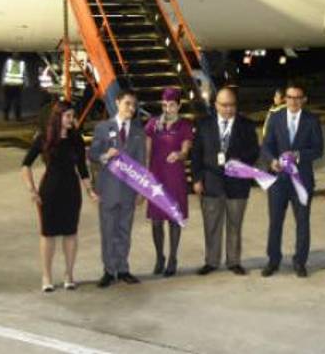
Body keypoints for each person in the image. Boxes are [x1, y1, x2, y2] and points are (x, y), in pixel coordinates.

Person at [20, 101, 98, 292]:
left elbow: (82, 169)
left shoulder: (76, 139)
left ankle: (69, 274)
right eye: (68, 116)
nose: (72, 120)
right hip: (50, 191)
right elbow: (25, 165)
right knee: (48, 234)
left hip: (71, 190)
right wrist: (32, 189)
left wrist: (90, 191)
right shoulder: (44, 138)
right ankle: (46, 276)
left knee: (70, 232)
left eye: (73, 116)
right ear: (58, 117)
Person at [191, 86, 261, 275]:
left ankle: (233, 261)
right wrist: (197, 179)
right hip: (211, 182)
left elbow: (255, 151)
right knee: (211, 225)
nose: (228, 109)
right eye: (224, 105)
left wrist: (240, 161)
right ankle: (211, 261)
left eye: (232, 105)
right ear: (215, 105)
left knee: (235, 225)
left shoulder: (246, 125)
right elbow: (196, 153)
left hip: (238, 184)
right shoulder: (204, 124)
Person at [260, 81, 323, 277]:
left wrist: (298, 155)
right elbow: (266, 145)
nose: (293, 101)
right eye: (289, 97)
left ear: (304, 99)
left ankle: (300, 262)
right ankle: (273, 260)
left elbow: (318, 149)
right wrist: (271, 161)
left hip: (302, 180)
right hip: (278, 180)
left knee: (302, 222)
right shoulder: (275, 117)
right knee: (275, 222)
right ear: (284, 99)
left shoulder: (312, 120)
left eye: (297, 98)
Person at [89, 89, 146, 287]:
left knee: (124, 231)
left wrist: (141, 190)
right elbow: (92, 155)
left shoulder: (138, 132)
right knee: (108, 231)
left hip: (129, 191)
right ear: (117, 102)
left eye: (134, 105)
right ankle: (108, 270)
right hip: (108, 189)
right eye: (127, 103)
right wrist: (106, 155)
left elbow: (141, 163)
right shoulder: (103, 128)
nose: (131, 108)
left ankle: (123, 269)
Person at [144, 88, 193, 277]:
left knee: (174, 219)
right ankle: (160, 257)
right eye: (164, 105)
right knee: (156, 221)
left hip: (174, 177)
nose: (167, 109)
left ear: (179, 106)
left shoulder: (184, 125)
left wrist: (179, 154)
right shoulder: (153, 124)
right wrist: (145, 173)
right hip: (156, 177)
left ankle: (173, 258)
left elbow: (185, 151)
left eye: (171, 105)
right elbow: (147, 150)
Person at [2, 52, 27, 121]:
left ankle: (7, 116)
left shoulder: (10, 62)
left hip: (11, 85)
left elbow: (3, 73)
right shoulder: (20, 63)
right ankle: (15, 117)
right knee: (14, 102)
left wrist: (3, 83)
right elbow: (25, 74)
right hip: (14, 86)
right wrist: (26, 83)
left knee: (10, 102)